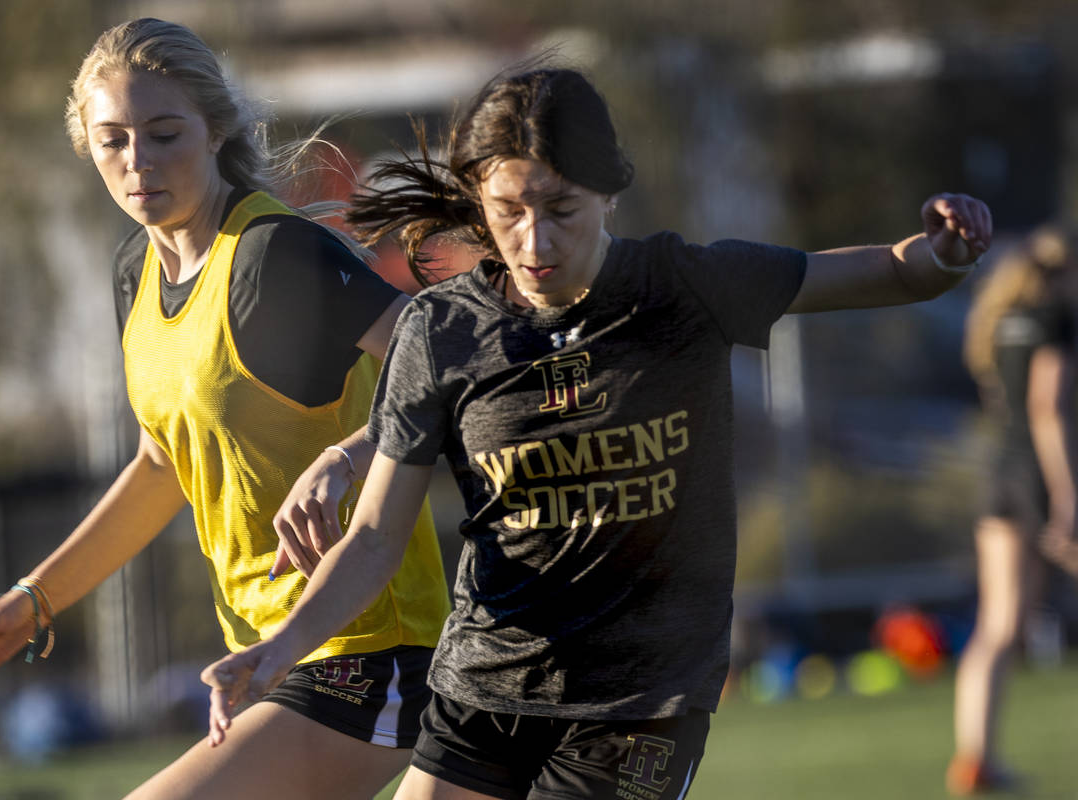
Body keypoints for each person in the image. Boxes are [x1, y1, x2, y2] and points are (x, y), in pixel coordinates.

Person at [202, 67, 993, 800]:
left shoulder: (684, 287)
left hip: (640, 703)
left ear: (609, 193)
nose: (535, 243)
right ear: (478, 200)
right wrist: (279, 652)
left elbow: (887, 272)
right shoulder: (440, 331)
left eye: (562, 210)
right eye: (510, 212)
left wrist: (943, 255)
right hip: (484, 686)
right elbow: (374, 536)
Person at [0, 18, 451, 800]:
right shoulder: (136, 271)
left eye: (164, 134)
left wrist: (349, 457)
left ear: (216, 128)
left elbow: (447, 361)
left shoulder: (275, 256)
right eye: (113, 141)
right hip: (259, 660)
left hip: (370, 651)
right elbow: (162, 464)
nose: (139, 163)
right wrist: (35, 600)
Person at [947, 226, 1078, 795]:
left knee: (998, 626)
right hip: (1044, 476)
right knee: (1008, 623)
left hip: (998, 473)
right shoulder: (1057, 319)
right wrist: (1067, 498)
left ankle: (974, 759)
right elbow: (1048, 410)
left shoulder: (995, 323)